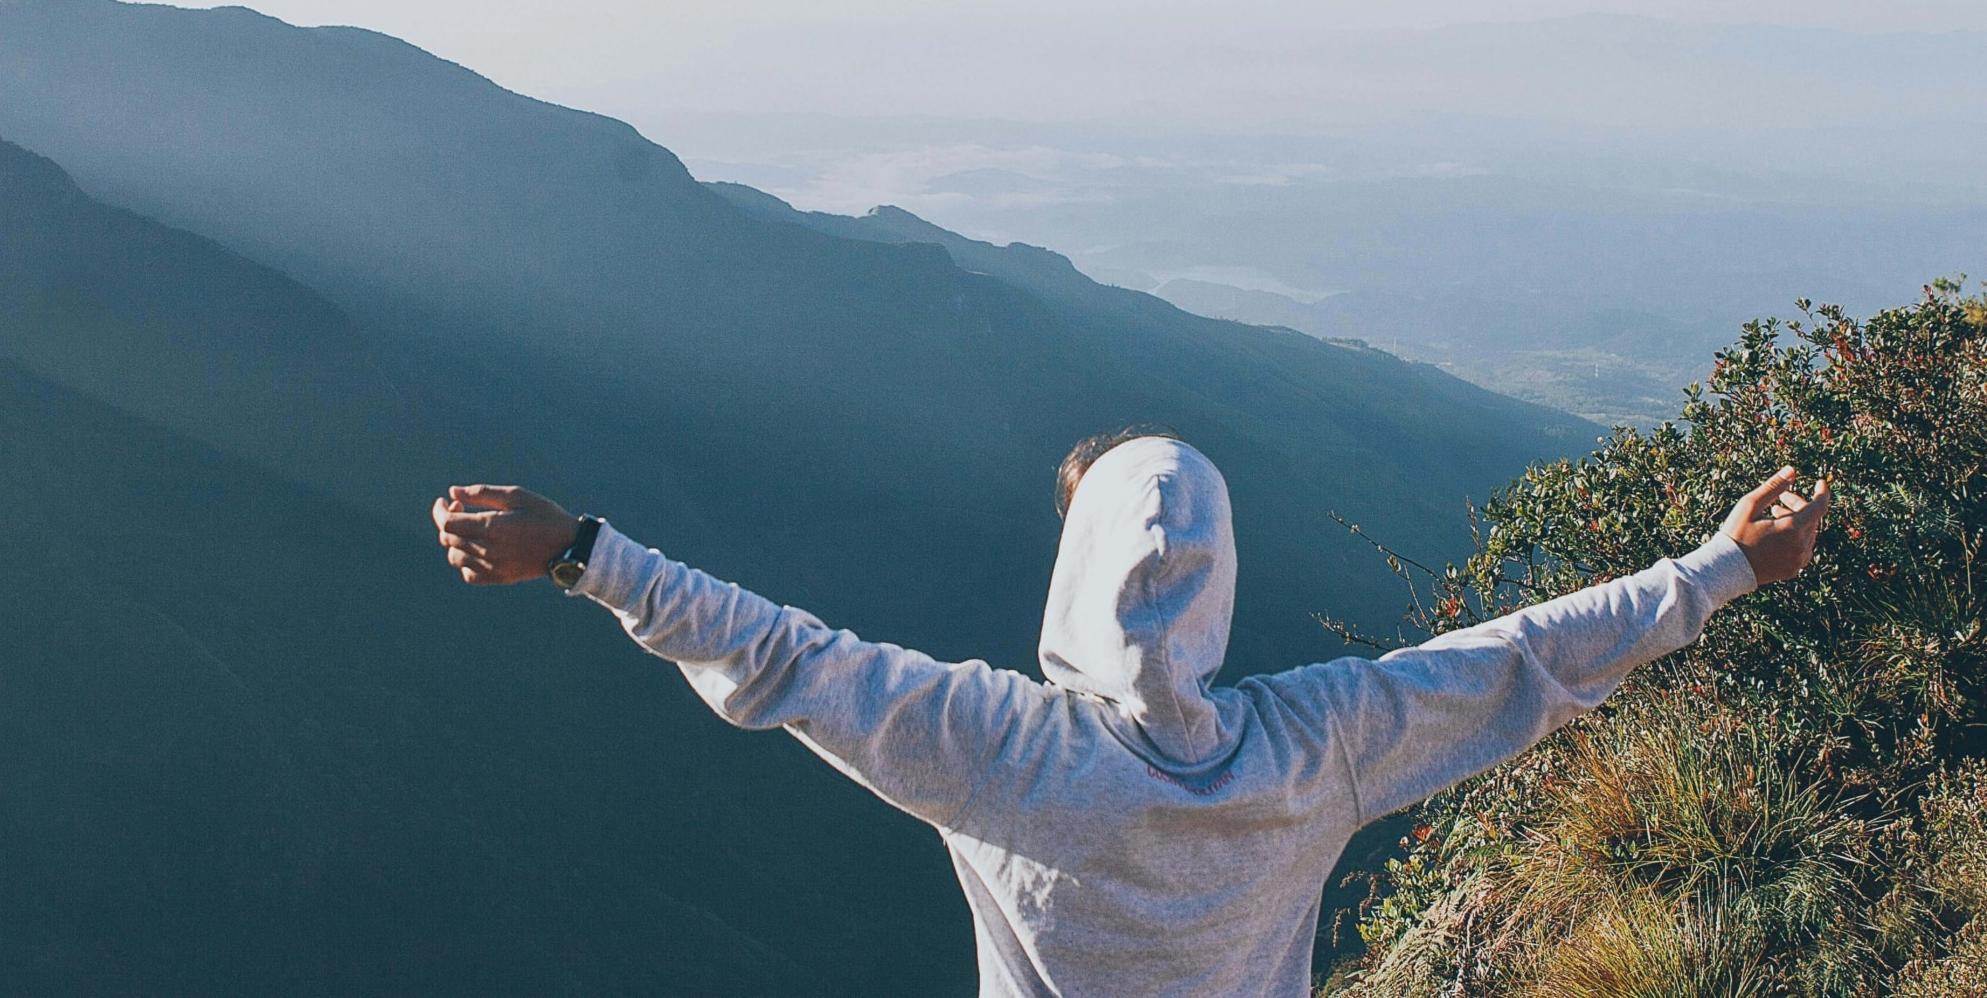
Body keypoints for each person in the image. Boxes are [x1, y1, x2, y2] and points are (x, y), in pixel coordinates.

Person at [432, 432, 1829, 998]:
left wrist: (585, 554)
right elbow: (1523, 657)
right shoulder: (1316, 744)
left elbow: (783, 656)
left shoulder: (997, 749)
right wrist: (1720, 567)